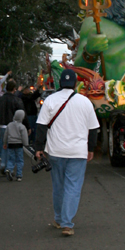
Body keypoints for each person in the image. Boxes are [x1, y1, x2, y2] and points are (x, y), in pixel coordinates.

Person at [35, 69, 99, 237]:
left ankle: (58, 218)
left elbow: (41, 126)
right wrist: (91, 149)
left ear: (59, 83)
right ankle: (67, 223)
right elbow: (93, 129)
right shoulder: (85, 102)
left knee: (58, 186)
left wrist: (38, 148)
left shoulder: (50, 100)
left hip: (56, 150)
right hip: (78, 151)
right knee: (73, 187)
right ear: (75, 84)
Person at [0, 80, 29, 175]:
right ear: (14, 89)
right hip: (13, 126)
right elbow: (22, 114)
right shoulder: (17, 100)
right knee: (12, 147)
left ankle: (3, 165)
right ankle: (9, 167)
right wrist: (27, 127)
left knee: (4, 145)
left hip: (1, 125)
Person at [3, 109, 28, 181]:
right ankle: (19, 175)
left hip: (10, 144)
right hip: (19, 145)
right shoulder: (22, 126)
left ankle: (9, 169)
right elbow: (24, 136)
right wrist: (26, 145)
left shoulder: (9, 125)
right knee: (19, 160)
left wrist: (5, 143)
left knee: (11, 159)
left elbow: (6, 135)